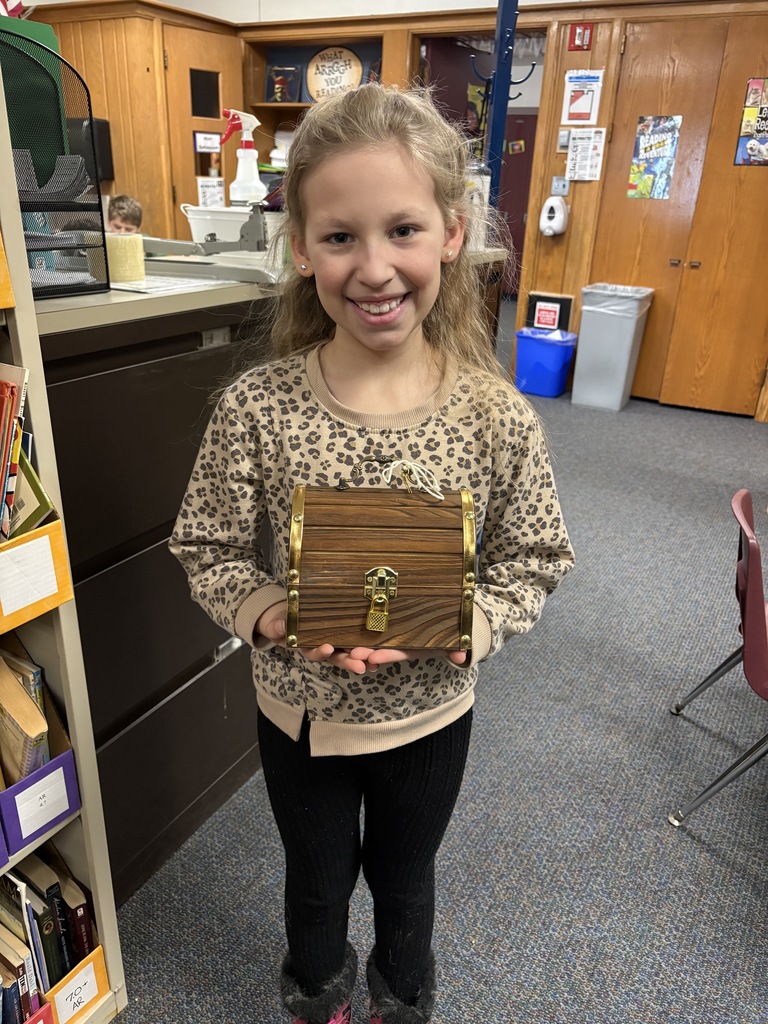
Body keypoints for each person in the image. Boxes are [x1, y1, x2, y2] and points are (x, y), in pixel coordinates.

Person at [170, 83, 574, 1024]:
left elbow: (536, 555)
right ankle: (317, 993)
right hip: (302, 716)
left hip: (430, 716)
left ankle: (402, 996)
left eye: (402, 229)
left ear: (450, 234)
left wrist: (466, 623)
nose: (374, 266)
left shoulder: (493, 417)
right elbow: (207, 543)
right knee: (315, 888)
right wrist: (270, 610)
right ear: (302, 252)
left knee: (406, 883)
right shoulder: (257, 407)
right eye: (341, 236)